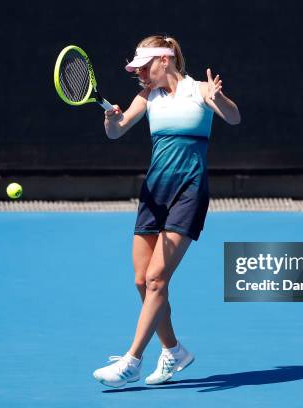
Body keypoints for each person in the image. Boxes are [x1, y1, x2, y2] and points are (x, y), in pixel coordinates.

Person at [93, 35, 240, 388]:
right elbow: (117, 131)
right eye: (136, 69)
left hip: (189, 193)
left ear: (166, 59)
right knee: (142, 281)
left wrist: (218, 99)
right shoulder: (147, 97)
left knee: (158, 279)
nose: (140, 74)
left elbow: (233, 118)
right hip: (153, 194)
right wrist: (111, 121)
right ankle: (174, 351)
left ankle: (132, 360)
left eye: (144, 67)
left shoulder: (201, 90)